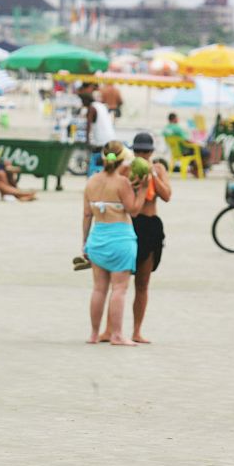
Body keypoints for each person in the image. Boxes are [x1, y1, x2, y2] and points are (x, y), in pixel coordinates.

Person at [98, 132, 171, 344]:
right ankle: (109, 330)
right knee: (118, 283)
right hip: (128, 226)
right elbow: (109, 186)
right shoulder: (125, 169)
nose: (142, 155)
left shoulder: (159, 168)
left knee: (142, 283)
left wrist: (152, 175)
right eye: (138, 151)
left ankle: (137, 331)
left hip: (150, 225)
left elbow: (167, 195)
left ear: (152, 152)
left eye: (146, 151)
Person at [82, 140, 148, 346]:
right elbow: (134, 210)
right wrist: (143, 190)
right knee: (119, 289)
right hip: (120, 239)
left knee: (98, 289)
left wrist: (84, 243)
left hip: (97, 238)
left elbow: (87, 215)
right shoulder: (122, 182)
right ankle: (117, 334)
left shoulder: (91, 181)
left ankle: (94, 334)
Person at [84, 89, 115, 170]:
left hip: (101, 141)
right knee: (108, 162)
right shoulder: (102, 106)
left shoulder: (92, 107)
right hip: (110, 139)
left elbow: (88, 124)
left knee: (98, 163)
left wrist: (87, 140)